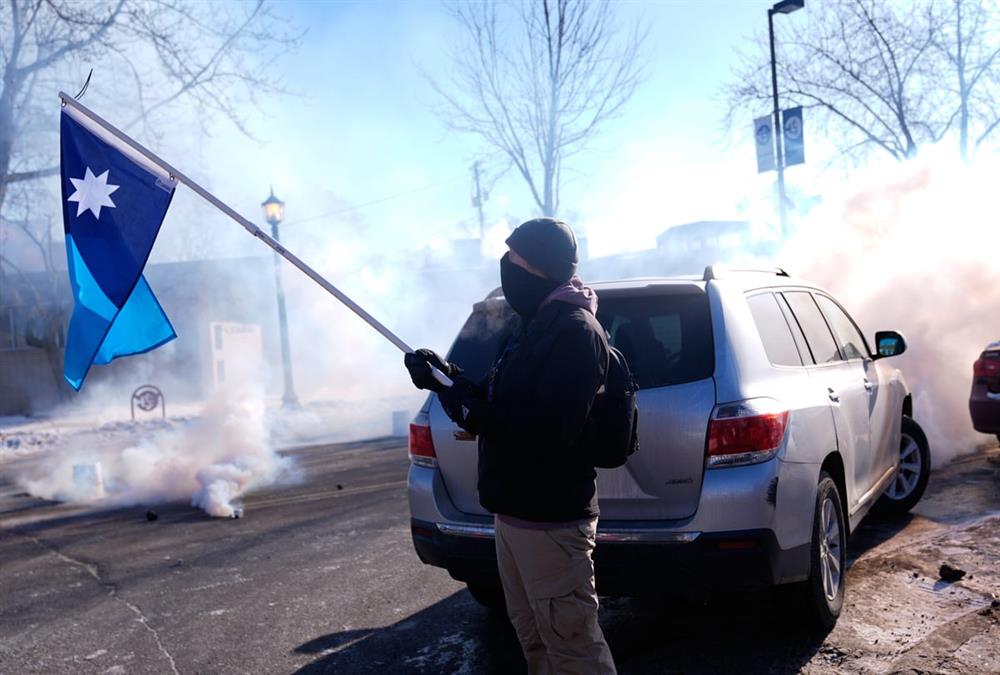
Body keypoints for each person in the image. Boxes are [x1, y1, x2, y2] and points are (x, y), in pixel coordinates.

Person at [405, 217, 615, 674]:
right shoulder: (532, 326)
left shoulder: (575, 333)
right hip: (513, 515)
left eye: (515, 258)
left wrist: (471, 409)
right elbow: (505, 401)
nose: (506, 266)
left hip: (552, 520)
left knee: (573, 645)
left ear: (541, 266)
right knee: (535, 639)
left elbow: (549, 428)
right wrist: (448, 380)